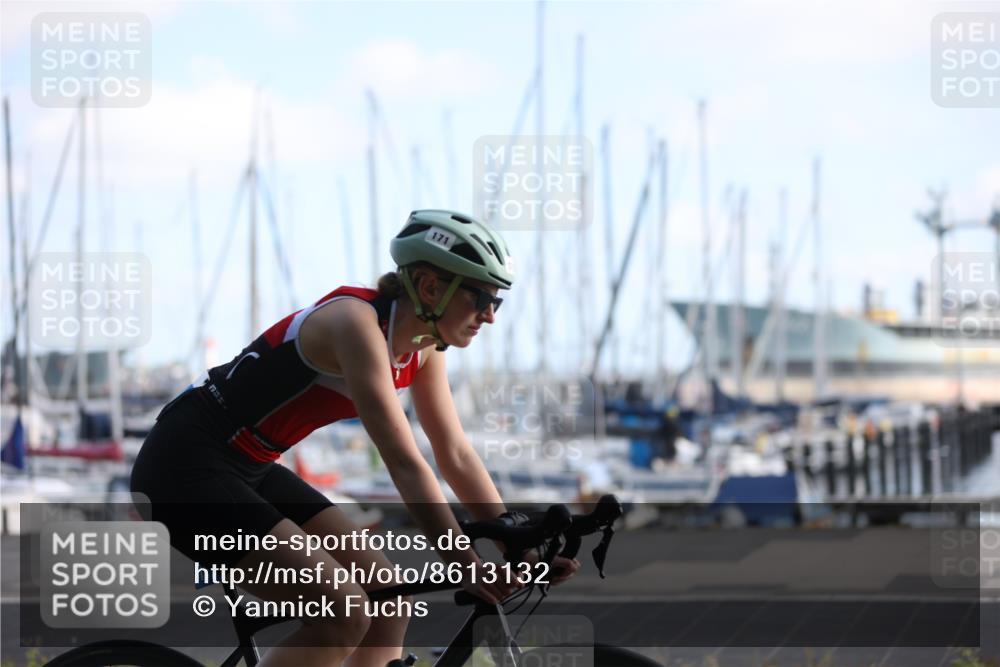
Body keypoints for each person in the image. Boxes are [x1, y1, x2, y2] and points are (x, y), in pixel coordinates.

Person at [130, 209, 580, 667]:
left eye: (497, 302)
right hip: (185, 468)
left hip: (252, 467)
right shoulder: (354, 324)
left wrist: (518, 545)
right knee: (343, 613)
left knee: (390, 602)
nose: (489, 316)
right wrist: (462, 561)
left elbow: (456, 455)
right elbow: (404, 460)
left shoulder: (424, 351)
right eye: (480, 298)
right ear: (429, 288)